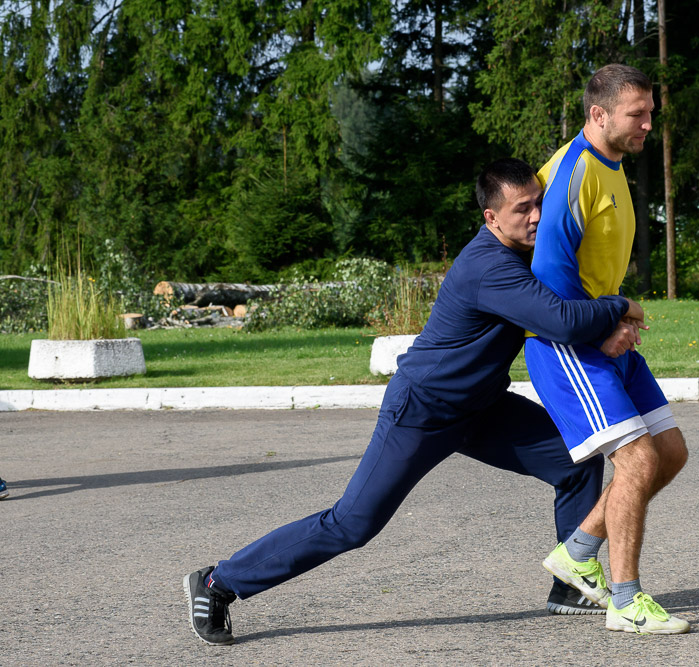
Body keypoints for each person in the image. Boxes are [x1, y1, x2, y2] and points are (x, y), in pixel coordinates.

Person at [183, 158, 647, 645]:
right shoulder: (489, 265)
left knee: (576, 460)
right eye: (521, 209)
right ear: (491, 218)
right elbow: (563, 320)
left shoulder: (528, 253)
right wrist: (621, 306)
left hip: (483, 408)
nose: (535, 216)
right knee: (352, 523)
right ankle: (218, 581)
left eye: (539, 203)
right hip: (423, 410)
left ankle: (569, 584)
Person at [525, 64, 691, 635]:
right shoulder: (573, 170)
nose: (649, 123)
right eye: (637, 114)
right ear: (598, 115)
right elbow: (548, 273)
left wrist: (617, 313)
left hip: (606, 332)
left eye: (650, 112)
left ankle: (576, 553)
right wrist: (603, 327)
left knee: (669, 451)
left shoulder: (612, 164)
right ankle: (625, 601)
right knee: (638, 460)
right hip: (569, 343)